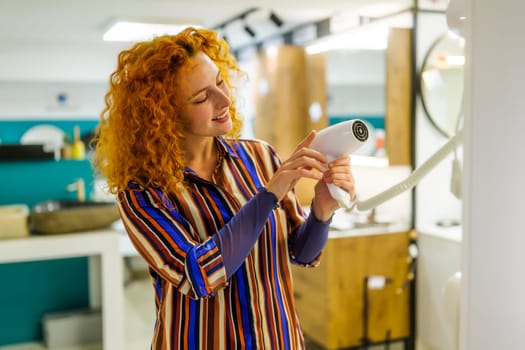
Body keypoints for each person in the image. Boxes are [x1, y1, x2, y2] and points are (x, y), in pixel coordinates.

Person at [92, 27, 356, 349]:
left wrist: (322, 210)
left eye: (219, 81)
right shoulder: (142, 191)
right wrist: (270, 194)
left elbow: (301, 254)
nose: (224, 99)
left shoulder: (260, 156)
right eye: (202, 96)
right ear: (164, 114)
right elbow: (200, 277)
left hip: (276, 339)